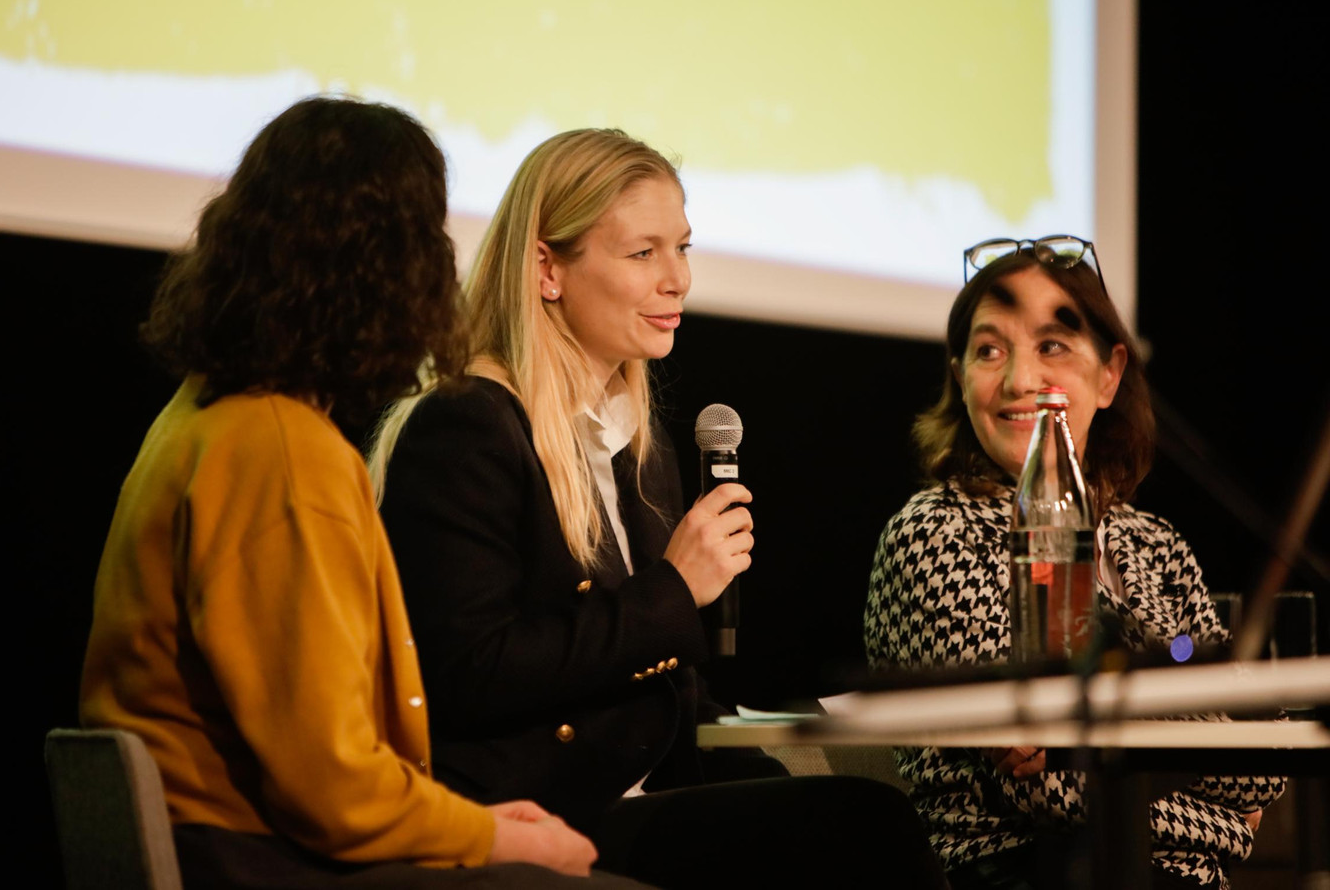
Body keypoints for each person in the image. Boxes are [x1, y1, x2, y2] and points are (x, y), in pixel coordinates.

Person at [79, 97, 652, 889]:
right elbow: (335, 786)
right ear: (385, 266)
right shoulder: (279, 452)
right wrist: (491, 838)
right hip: (259, 861)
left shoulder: (201, 415)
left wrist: (477, 822)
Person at [369, 128, 949, 889]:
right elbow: (472, 671)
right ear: (547, 268)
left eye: (682, 247)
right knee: (864, 827)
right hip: (544, 816)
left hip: (639, 800)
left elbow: (668, 686)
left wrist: (758, 763)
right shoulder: (470, 423)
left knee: (859, 816)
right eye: (643, 253)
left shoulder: (638, 445)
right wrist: (674, 592)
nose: (676, 278)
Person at [864, 236, 1285, 889]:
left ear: (1110, 373)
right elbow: (1045, 789)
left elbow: (1268, 763)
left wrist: (1133, 723)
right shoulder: (934, 532)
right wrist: (1226, 819)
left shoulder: (1156, 542)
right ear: (959, 375)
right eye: (988, 349)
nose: (1019, 379)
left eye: (1051, 345)